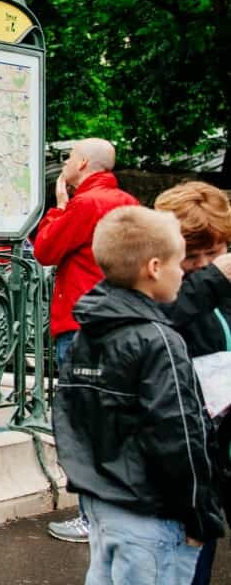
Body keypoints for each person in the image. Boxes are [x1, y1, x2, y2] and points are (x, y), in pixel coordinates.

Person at [53, 206, 224, 583]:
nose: (185, 273)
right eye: (179, 263)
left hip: (106, 504)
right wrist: (200, 514)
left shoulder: (88, 332)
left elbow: (71, 418)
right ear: (154, 268)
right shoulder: (160, 339)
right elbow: (178, 434)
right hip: (155, 512)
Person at [35, 138, 138, 543]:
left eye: (66, 157)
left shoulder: (86, 204)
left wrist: (59, 206)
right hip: (121, 319)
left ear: (81, 162)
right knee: (114, 418)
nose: (64, 163)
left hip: (82, 322)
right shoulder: (128, 201)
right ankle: (117, 511)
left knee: (85, 423)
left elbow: (45, 250)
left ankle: (91, 517)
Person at [153, 182, 231, 584]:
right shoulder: (156, 285)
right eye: (190, 255)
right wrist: (213, 279)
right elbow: (152, 325)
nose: (201, 264)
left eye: (213, 253)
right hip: (186, 463)